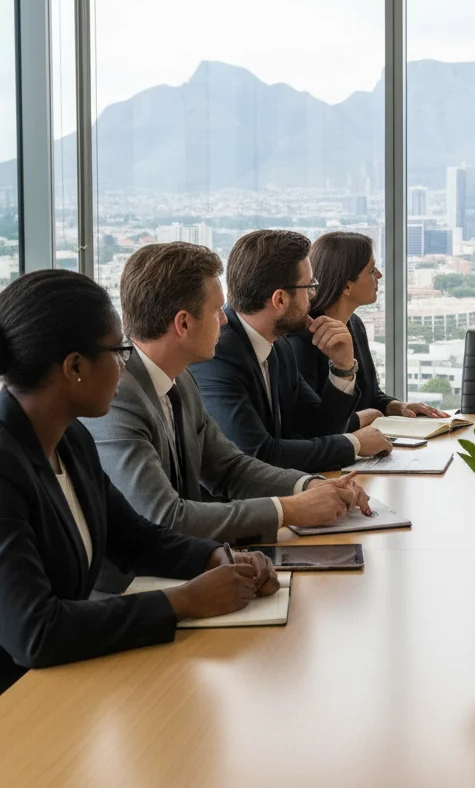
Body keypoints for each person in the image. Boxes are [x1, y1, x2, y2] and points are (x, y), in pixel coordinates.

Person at [0, 270, 278, 695]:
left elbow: (134, 538)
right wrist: (186, 601)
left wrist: (215, 558)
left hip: (61, 686)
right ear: (74, 367)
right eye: (117, 352)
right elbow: (37, 631)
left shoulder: (71, 437)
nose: (124, 365)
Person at [85, 244, 371, 580]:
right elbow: (165, 517)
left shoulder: (182, 380)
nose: (225, 319)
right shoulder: (119, 396)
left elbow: (230, 468)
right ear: (183, 323)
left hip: (186, 571)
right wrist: (289, 510)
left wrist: (309, 486)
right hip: (134, 590)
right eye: (217, 310)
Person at [190, 230, 392, 472]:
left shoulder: (279, 346)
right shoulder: (219, 355)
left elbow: (318, 427)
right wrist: (354, 444)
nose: (314, 295)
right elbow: (258, 454)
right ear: (280, 300)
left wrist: (342, 368)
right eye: (309, 287)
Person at [288, 232, 448, 433]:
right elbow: (313, 423)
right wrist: (365, 417)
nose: (379, 275)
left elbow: (369, 395)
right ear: (346, 286)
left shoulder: (354, 324)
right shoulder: (301, 340)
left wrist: (398, 406)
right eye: (372, 270)